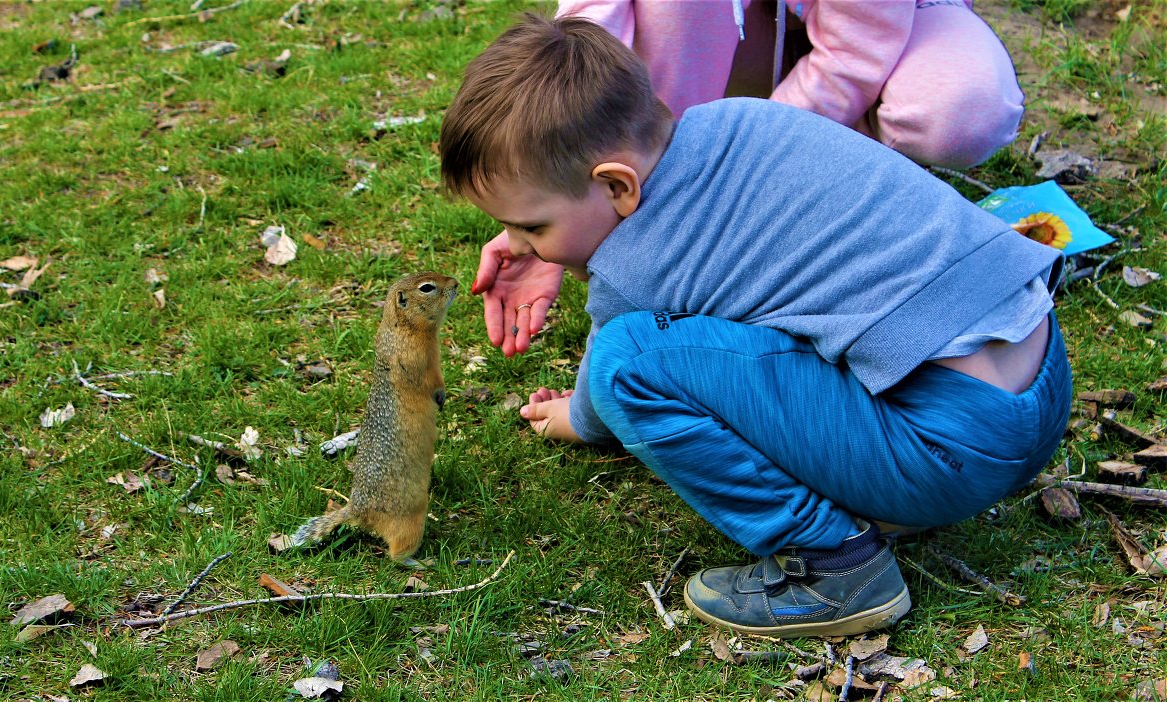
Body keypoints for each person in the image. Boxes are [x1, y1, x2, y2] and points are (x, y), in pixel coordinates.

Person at [441, 13, 1070, 637]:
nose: (528, 247)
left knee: (625, 366)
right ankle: (876, 482)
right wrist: (550, 231)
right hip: (1040, 377)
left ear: (616, 185)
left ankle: (833, 565)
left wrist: (578, 419)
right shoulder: (738, 120)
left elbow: (614, 359)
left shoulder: (635, 265)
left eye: (532, 227)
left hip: (945, 450)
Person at [557, 0, 1025, 170]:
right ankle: (657, 166)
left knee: (963, 109)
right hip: (736, 40)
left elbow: (852, 54)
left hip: (885, 29)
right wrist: (564, 164)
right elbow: (595, 17)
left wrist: (743, 166)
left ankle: (843, 166)